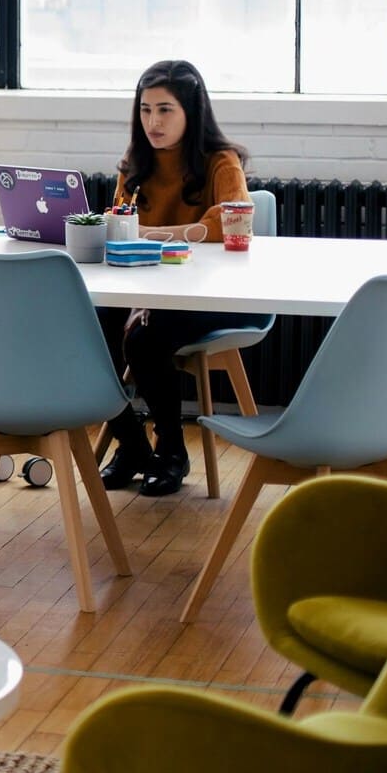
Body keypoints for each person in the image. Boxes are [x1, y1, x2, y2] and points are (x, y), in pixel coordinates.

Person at [97, 59, 258, 497]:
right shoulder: (134, 163)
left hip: (210, 295)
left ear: (192, 111)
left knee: (144, 339)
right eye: (146, 110)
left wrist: (153, 234)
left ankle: (171, 451)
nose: (153, 121)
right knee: (87, 330)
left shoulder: (220, 162)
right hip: (143, 287)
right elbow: (118, 223)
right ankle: (131, 445)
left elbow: (231, 221)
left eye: (165, 110)